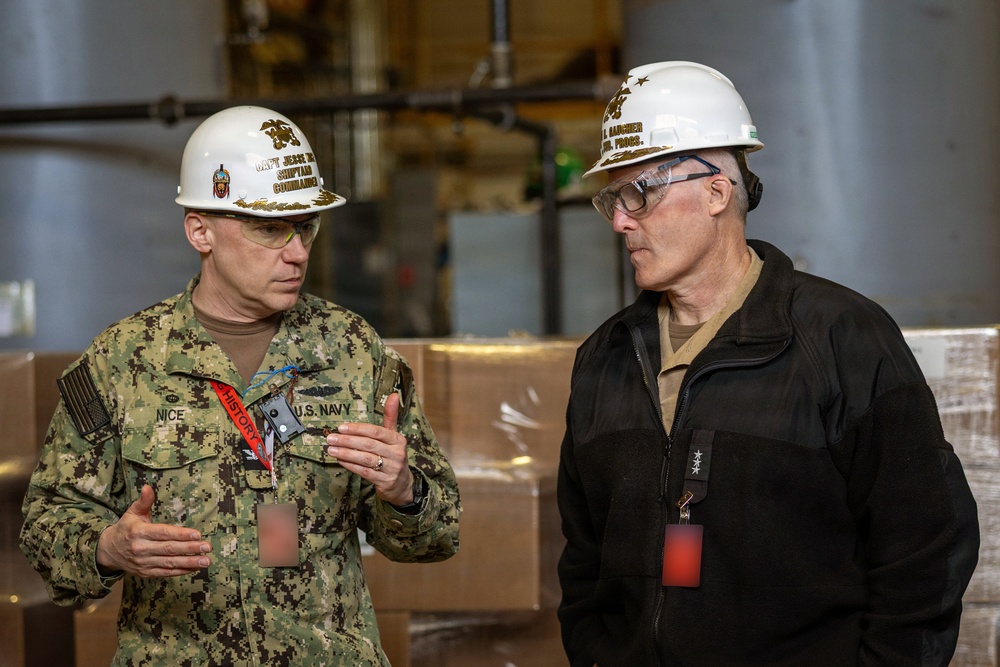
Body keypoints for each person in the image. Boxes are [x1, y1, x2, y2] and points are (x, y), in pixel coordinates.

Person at [556, 61, 980, 666]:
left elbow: (926, 548)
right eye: (613, 199)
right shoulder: (605, 360)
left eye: (639, 194)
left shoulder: (841, 339)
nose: (621, 220)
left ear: (716, 191)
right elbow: (583, 561)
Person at [20, 105, 461, 666]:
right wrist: (107, 548)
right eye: (270, 228)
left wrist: (405, 491)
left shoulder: (352, 351)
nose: (298, 251)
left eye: (305, 227)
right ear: (200, 230)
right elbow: (45, 528)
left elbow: (439, 533)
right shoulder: (123, 362)